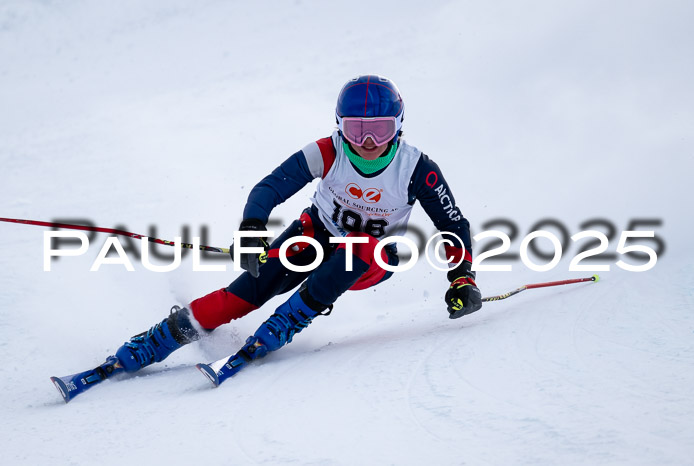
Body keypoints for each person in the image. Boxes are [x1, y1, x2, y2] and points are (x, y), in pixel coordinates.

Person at [52, 75, 483, 400]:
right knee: (241, 295)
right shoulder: (328, 151)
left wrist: (462, 278)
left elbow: (453, 225)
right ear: (339, 127)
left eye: (380, 130)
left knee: (359, 248)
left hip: (373, 259)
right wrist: (254, 230)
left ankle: (285, 323)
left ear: (399, 127)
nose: (368, 143)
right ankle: (146, 346)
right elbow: (268, 188)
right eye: (355, 130)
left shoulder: (415, 168)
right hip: (314, 236)